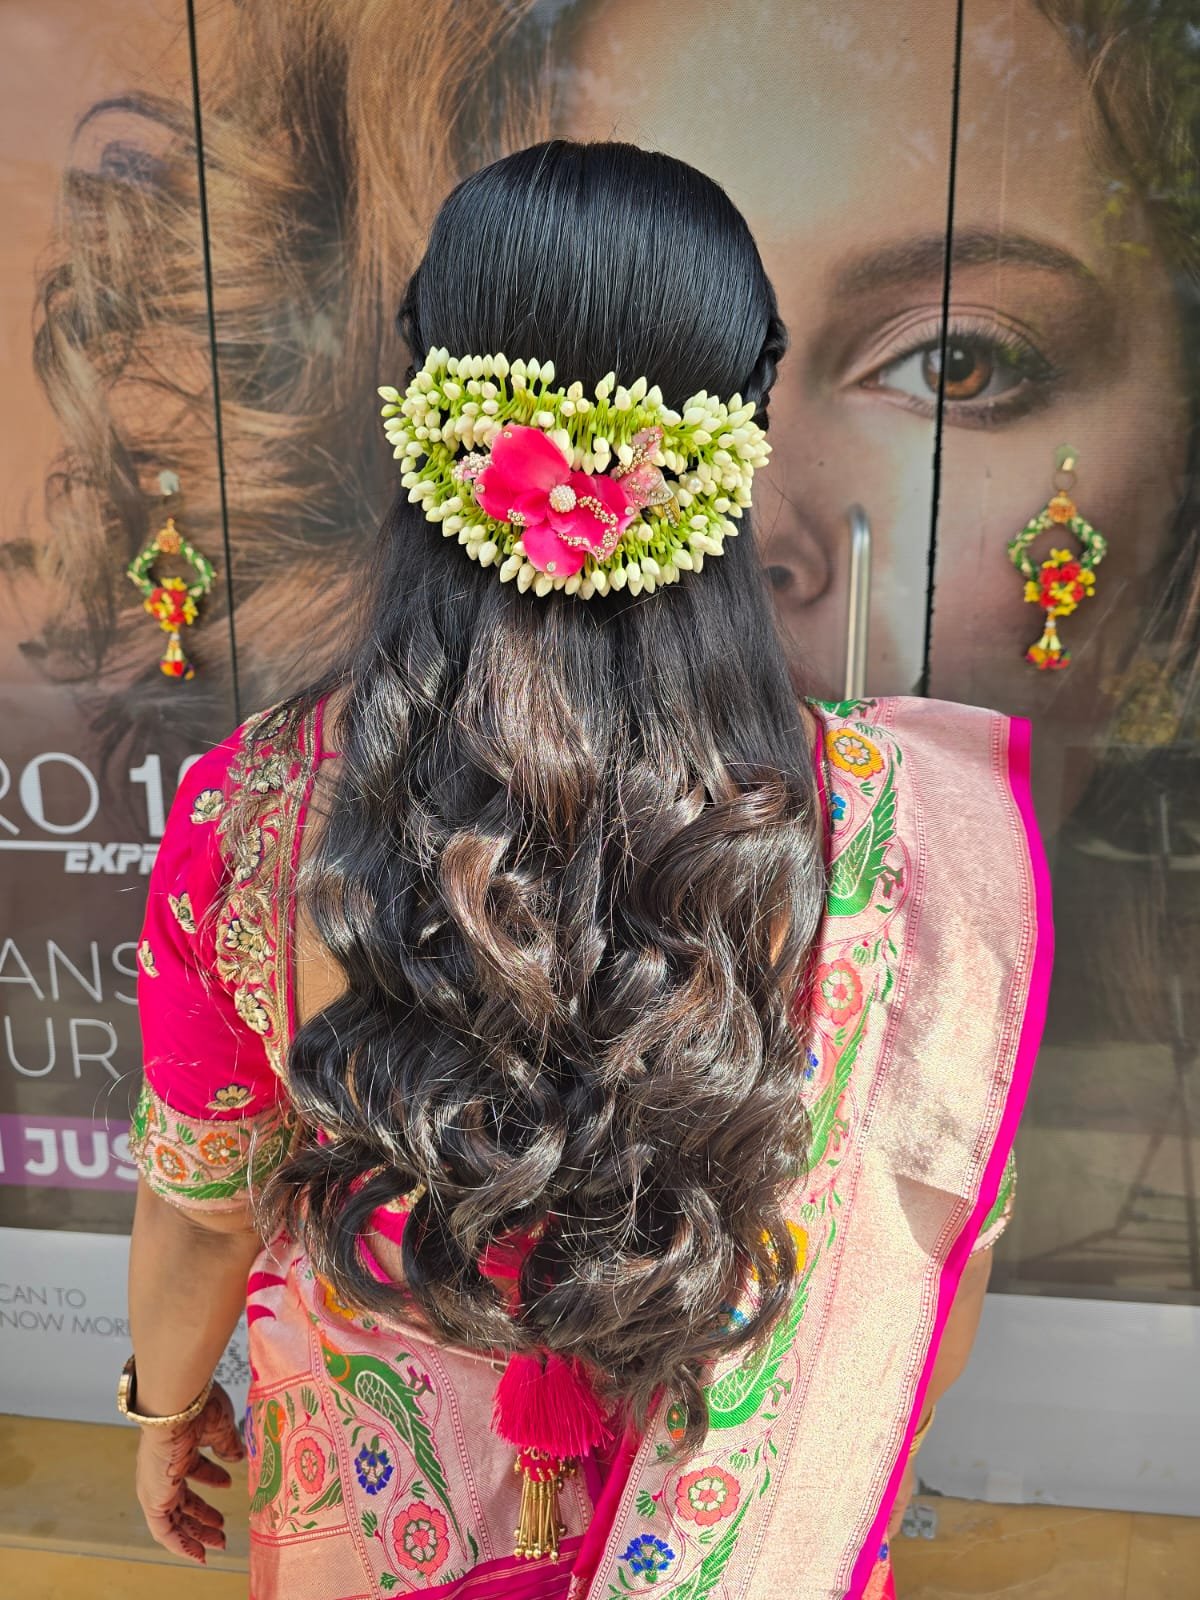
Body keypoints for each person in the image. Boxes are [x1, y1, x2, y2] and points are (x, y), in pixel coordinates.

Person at [121, 140, 1052, 1600]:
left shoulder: (257, 815)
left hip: (382, 1529)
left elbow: (202, 1207)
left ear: (428, 412)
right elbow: (933, 1251)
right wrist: (824, 1474)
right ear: (739, 434)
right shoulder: (909, 838)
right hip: (736, 1528)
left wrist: (164, 1404)